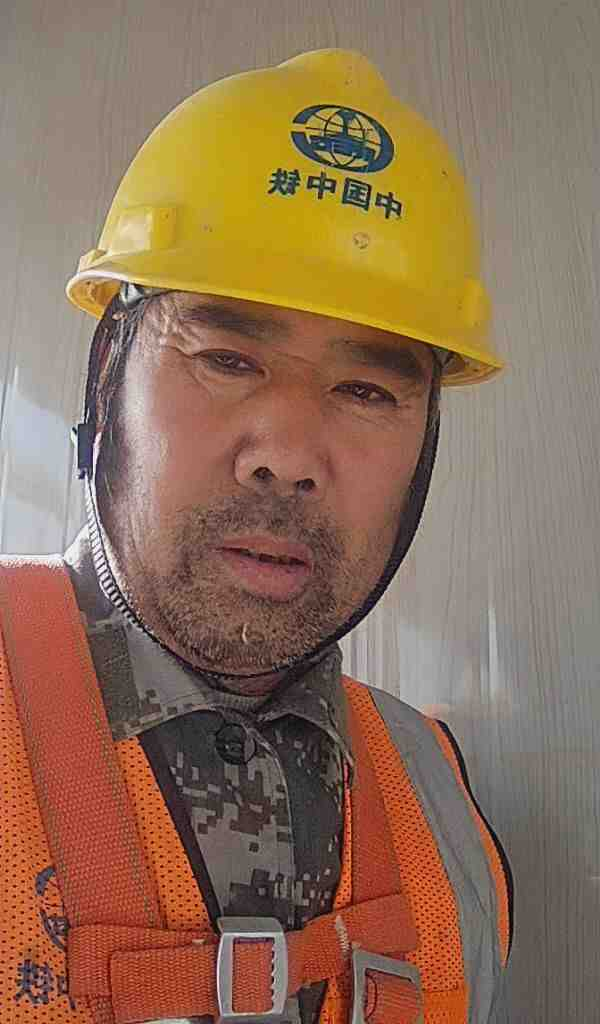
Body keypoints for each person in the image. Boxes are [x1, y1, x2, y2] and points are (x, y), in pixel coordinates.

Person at [0, 48, 514, 1024]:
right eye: (227, 358)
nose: (286, 455)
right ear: (109, 376)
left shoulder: (436, 792)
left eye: (366, 389)